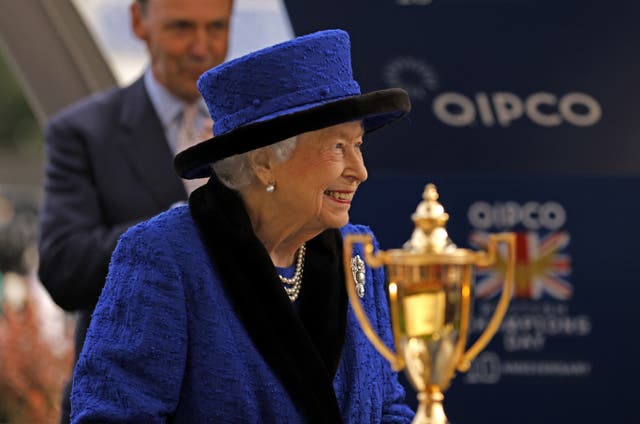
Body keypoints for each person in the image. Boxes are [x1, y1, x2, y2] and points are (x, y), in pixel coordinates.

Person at [70, 29, 414, 423]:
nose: (360, 172)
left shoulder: (359, 252)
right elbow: (113, 417)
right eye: (337, 147)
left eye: (358, 145)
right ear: (265, 162)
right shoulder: (165, 256)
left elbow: (389, 407)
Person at [36, 0, 233, 422]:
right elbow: (63, 269)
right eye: (182, 28)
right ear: (138, 21)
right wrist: (191, 217)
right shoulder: (82, 133)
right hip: (125, 403)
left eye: (217, 27)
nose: (202, 48)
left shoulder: (257, 133)